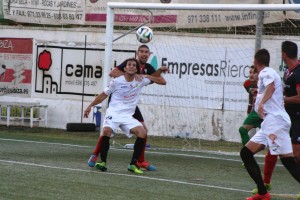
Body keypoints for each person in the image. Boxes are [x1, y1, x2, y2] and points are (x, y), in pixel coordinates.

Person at [88, 44, 168, 171]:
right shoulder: (124, 72)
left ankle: (137, 162)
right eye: (141, 51)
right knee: (107, 131)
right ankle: (97, 156)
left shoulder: (147, 69)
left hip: (130, 108)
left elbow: (161, 80)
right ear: (137, 53)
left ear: (149, 54)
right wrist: (130, 73)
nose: (144, 54)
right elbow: (112, 73)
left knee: (143, 131)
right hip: (116, 108)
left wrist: (147, 75)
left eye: (146, 52)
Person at [240, 49, 300, 200]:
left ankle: (263, 192)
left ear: (255, 61)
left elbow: (271, 86)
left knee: (287, 161)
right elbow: (270, 88)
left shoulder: (265, 73)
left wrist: (261, 104)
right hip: (270, 123)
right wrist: (259, 96)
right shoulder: (269, 72)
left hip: (275, 122)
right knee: (246, 153)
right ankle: (262, 193)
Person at [239, 66, 278, 194]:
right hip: (256, 113)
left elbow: (271, 89)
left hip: (268, 115)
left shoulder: (266, 80)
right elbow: (250, 90)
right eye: (249, 72)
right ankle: (263, 187)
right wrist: (250, 106)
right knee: (242, 130)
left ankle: (265, 184)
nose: (250, 74)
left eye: (253, 72)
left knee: (278, 150)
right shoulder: (248, 83)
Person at [282, 41, 300, 164]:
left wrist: (283, 99)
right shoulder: (288, 72)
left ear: (284, 55)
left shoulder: (298, 72)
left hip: (298, 117)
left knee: (297, 155)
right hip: (289, 117)